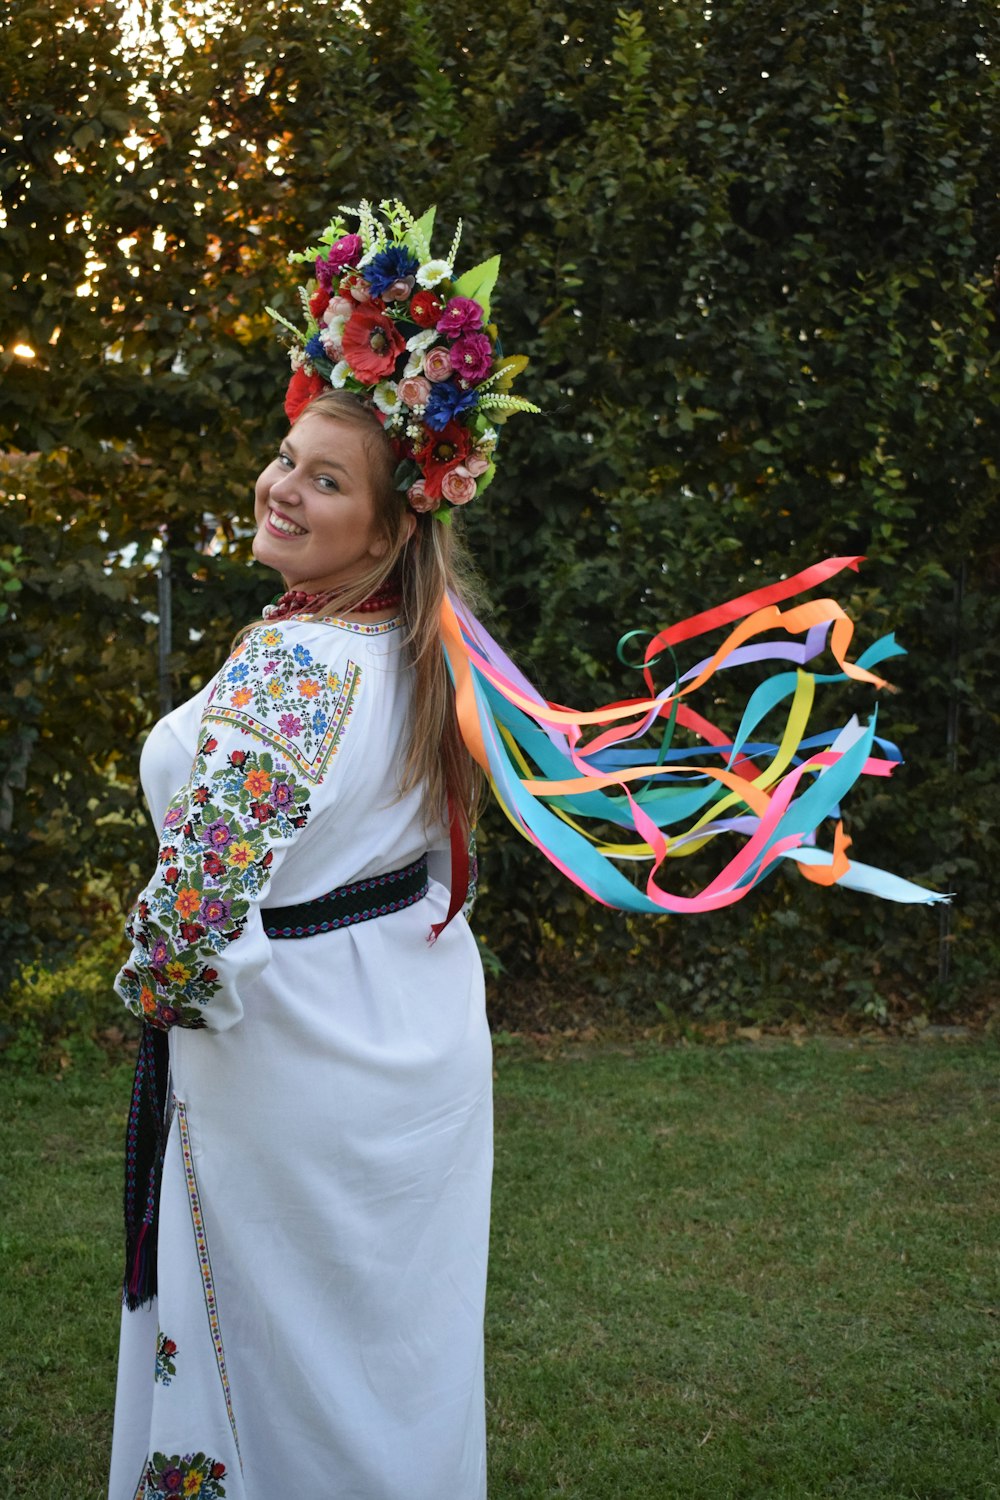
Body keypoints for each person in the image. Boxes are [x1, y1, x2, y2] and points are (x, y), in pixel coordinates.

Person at [110, 200, 944, 1500]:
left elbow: (187, 930)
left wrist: (154, 997)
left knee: (285, 1399)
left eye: (326, 479)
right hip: (411, 1056)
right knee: (389, 1383)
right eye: (289, 457)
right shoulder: (426, 653)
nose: (283, 486)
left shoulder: (294, 668)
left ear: (391, 525)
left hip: (292, 1085)